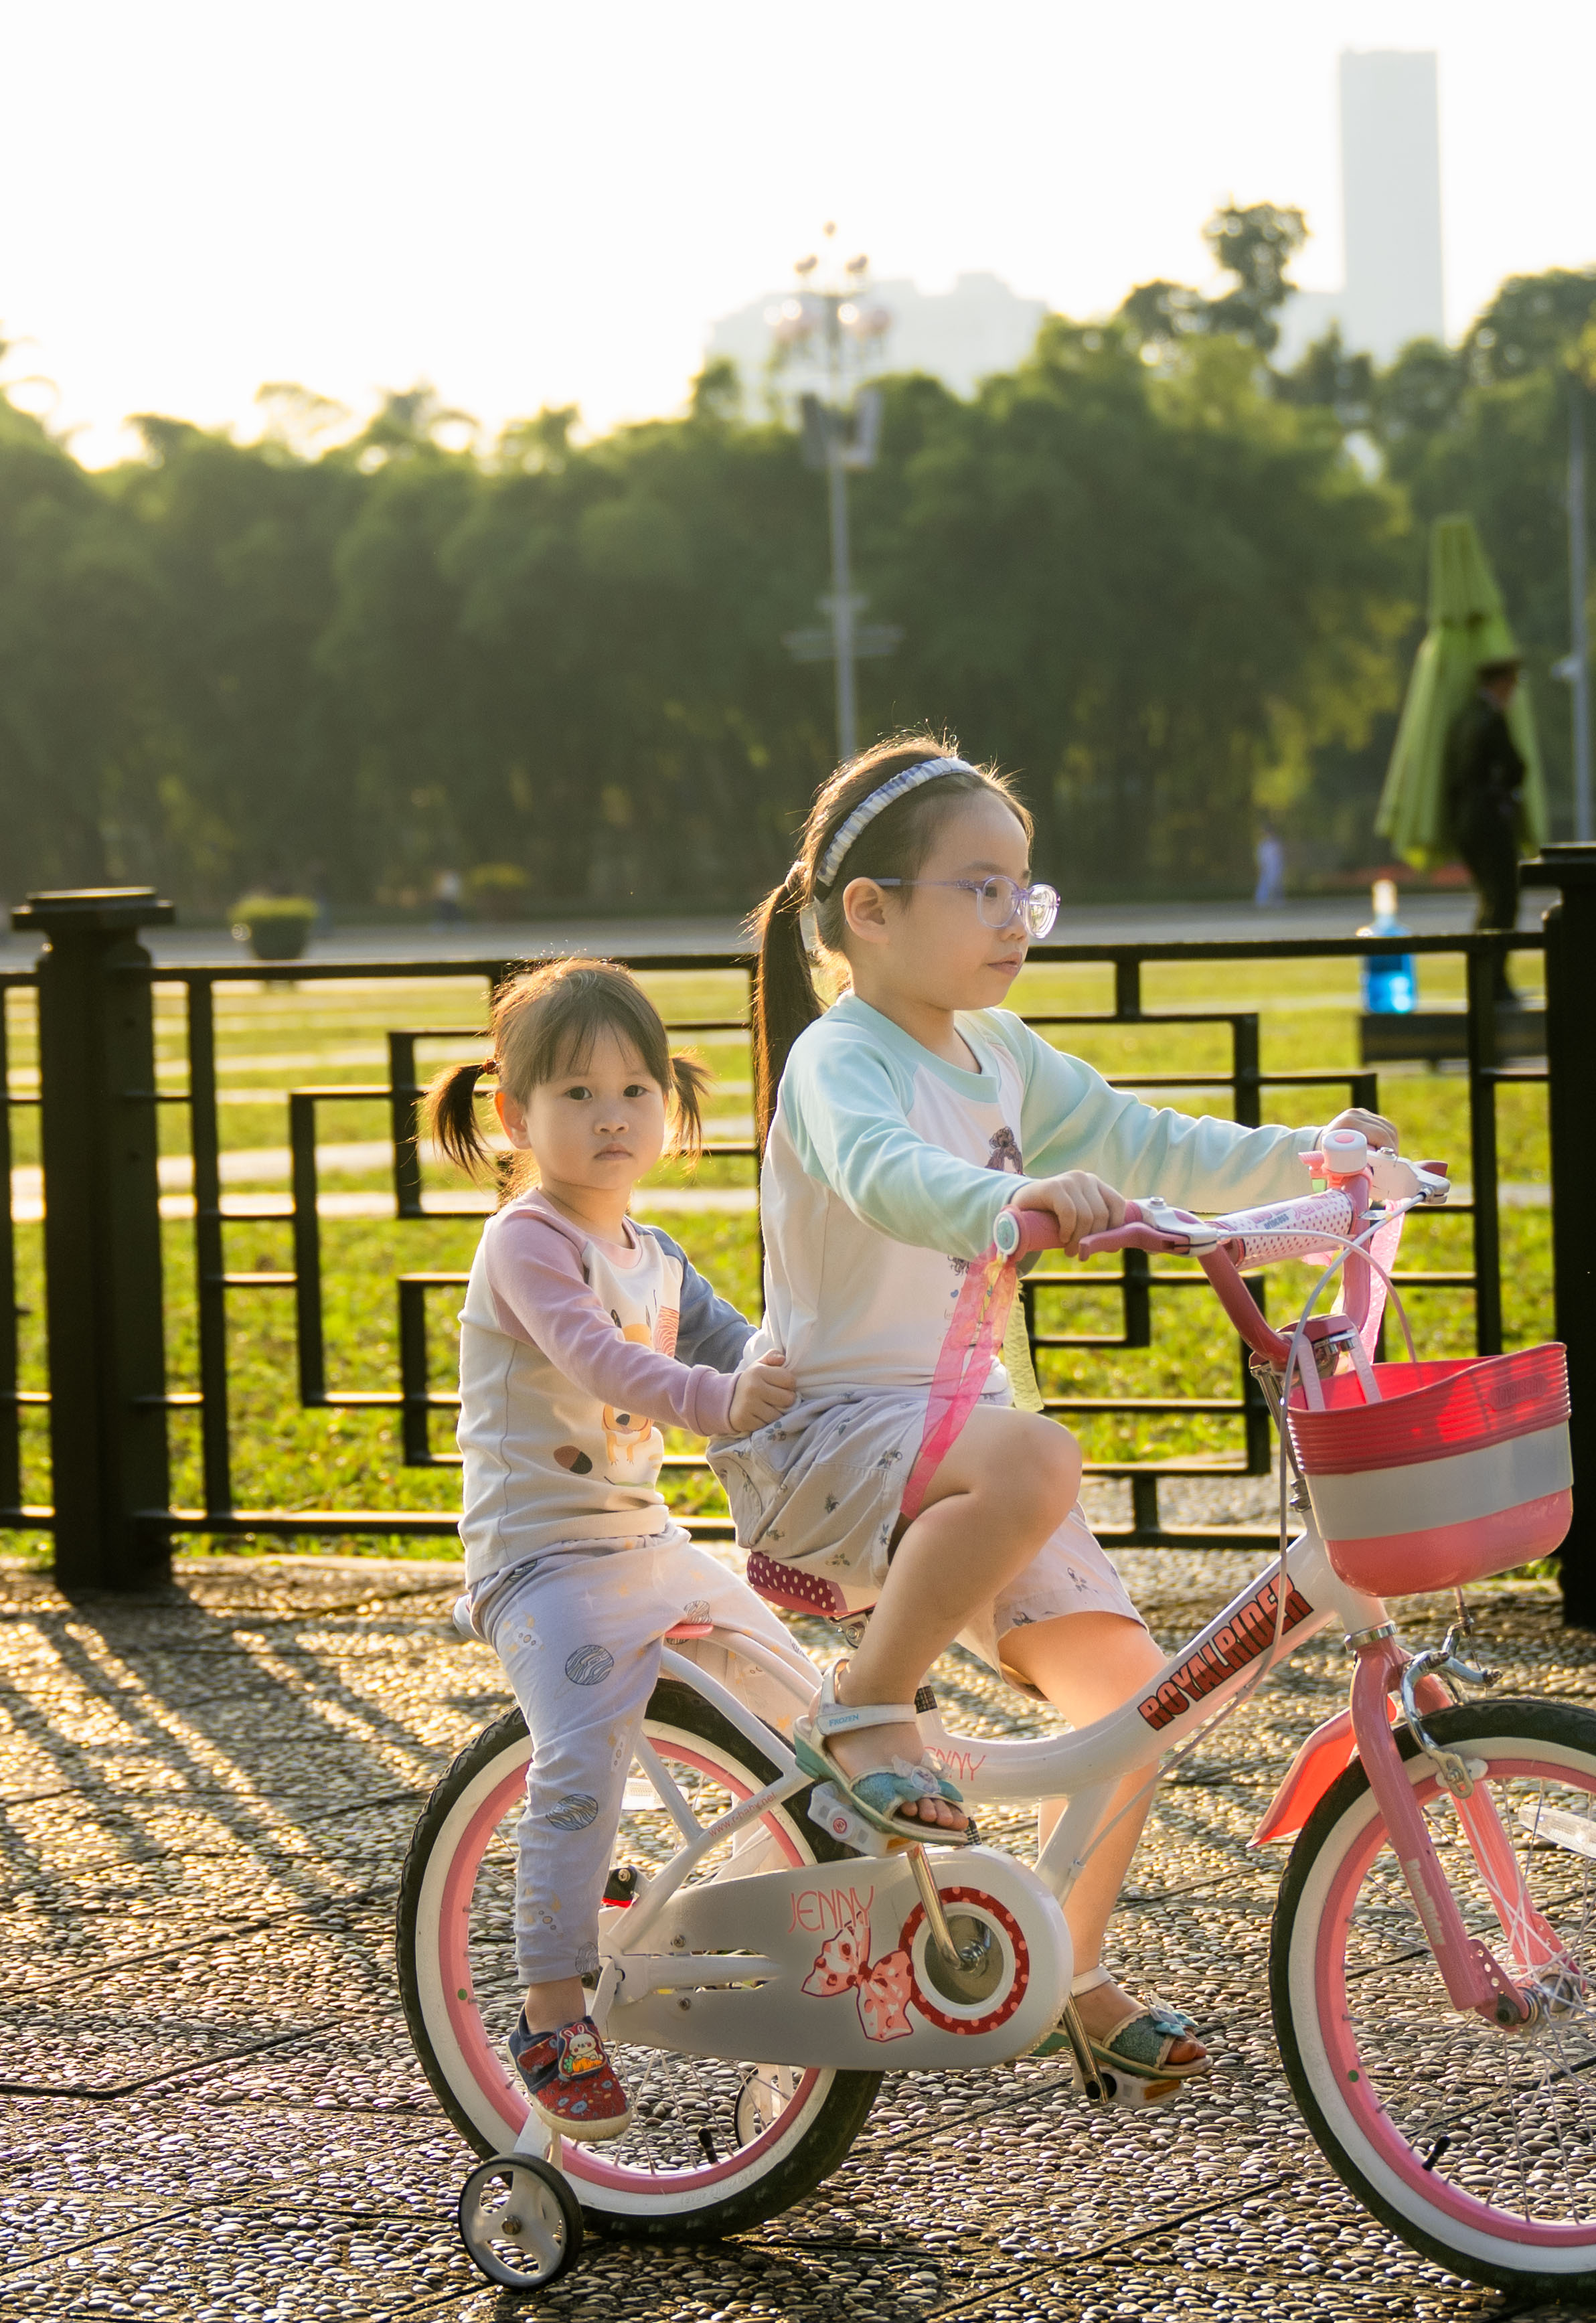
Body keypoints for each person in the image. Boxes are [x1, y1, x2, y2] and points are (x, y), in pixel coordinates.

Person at [713, 736, 1394, 2105]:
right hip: (832, 1435)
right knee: (1039, 1453)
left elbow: (1153, 1140)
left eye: (1025, 890)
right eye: (979, 888)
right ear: (872, 910)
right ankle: (864, 1719)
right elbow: (887, 1175)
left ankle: (1066, 1985)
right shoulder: (842, 1061)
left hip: (963, 1449)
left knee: (1134, 1707)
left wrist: (1319, 1159)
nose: (1013, 920)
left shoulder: (1002, 1053)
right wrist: (1011, 1205)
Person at [424, 958, 805, 2141]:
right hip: (537, 1557)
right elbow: (603, 1361)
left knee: (794, 1689)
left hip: (640, 1538)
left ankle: (795, 1887)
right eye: (578, 1093)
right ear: (513, 1114)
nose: (611, 1116)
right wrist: (719, 1399)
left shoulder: (654, 1250)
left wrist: (812, 1379)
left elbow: (744, 1348)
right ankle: (547, 2007)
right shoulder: (527, 1244)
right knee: (578, 1755)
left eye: (635, 1089)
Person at [1453, 660, 1530, 1006]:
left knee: (1488, 901)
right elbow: (1515, 768)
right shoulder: (1491, 719)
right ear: (1501, 683)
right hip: (1490, 821)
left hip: (1465, 822)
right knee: (1505, 900)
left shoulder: (1462, 717)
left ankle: (1483, 978)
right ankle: (1495, 981)